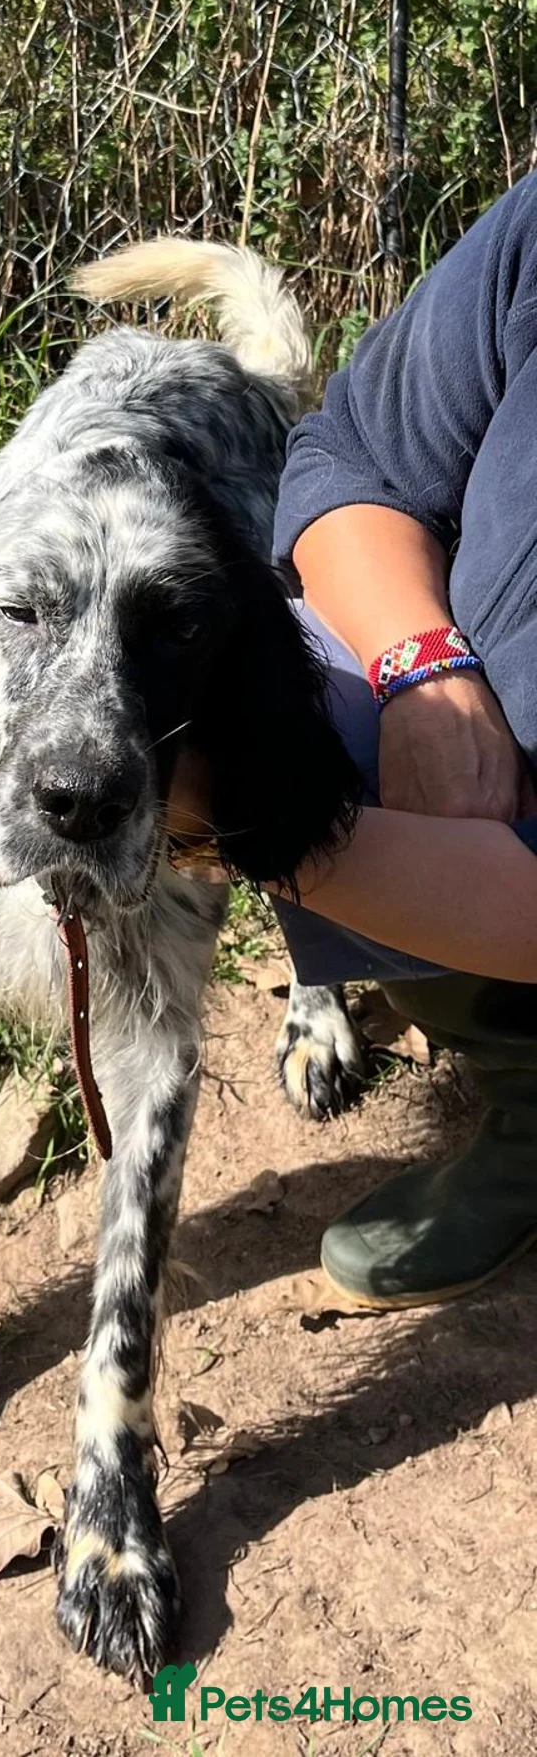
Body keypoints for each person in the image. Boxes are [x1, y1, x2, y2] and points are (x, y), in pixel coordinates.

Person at [179, 175, 537, 1308]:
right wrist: (422, 669)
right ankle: (527, 1105)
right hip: (480, 785)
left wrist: (231, 823)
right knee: (279, 659)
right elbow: (350, 454)